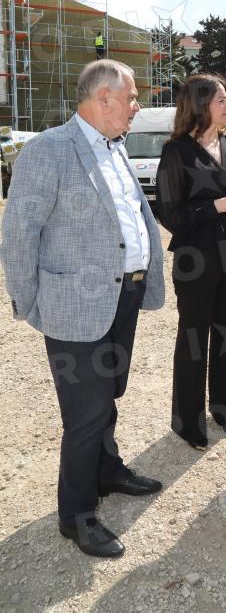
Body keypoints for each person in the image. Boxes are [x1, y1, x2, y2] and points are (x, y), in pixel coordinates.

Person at [0, 60, 165, 559]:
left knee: (109, 393)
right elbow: (19, 232)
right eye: (131, 97)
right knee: (85, 413)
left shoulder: (116, 147)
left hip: (123, 296)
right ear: (103, 98)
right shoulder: (49, 150)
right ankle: (75, 514)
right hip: (74, 305)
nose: (137, 106)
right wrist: (29, 302)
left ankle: (107, 470)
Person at [156, 73, 226, 450]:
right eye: (222, 100)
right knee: (194, 336)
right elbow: (170, 214)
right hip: (196, 258)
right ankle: (187, 422)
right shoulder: (176, 152)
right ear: (201, 105)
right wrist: (217, 205)